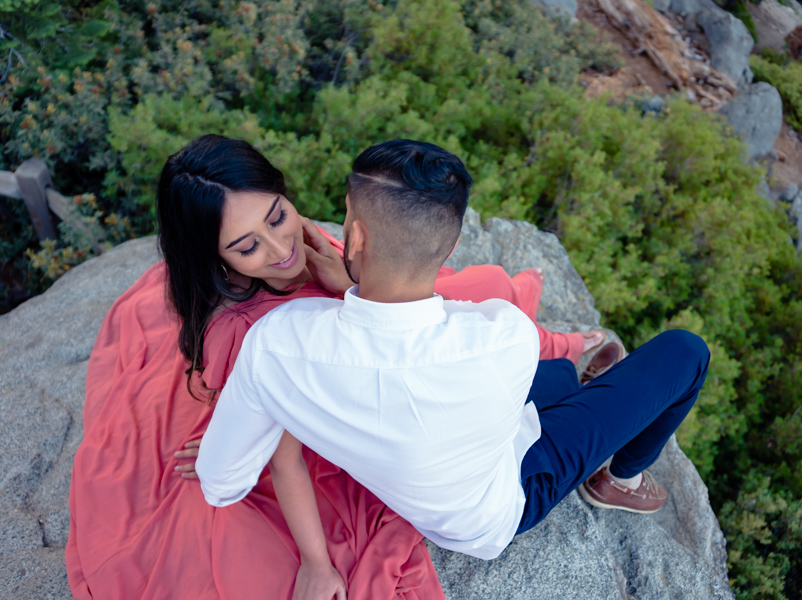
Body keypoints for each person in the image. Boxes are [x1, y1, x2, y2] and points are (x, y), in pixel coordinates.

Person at [66, 134, 617, 600]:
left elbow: (372, 301)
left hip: (362, 335)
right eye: (246, 246)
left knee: (490, 287)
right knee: (475, 333)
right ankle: (564, 354)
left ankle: (562, 348)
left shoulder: (300, 241)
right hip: (325, 410)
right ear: (219, 258)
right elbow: (283, 462)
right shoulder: (245, 333)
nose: (281, 248)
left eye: (278, 215)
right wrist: (316, 561)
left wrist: (346, 284)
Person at [194, 140, 710, 565]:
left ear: (352, 238)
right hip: (501, 501)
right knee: (686, 351)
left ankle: (585, 393)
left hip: (453, 471)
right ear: (453, 243)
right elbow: (429, 325)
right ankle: (620, 477)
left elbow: (219, 484)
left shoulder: (274, 343)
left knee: (558, 378)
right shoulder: (504, 335)